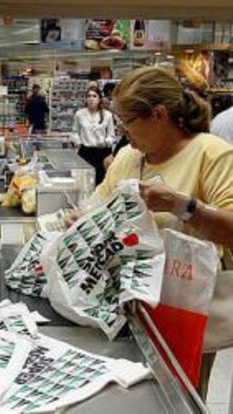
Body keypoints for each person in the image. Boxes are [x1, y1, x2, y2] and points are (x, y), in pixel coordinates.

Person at [66, 66, 233, 398]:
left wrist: (182, 205)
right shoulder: (129, 157)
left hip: (183, 307)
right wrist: (80, 221)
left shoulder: (211, 154)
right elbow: (98, 206)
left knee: (178, 395)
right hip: (124, 305)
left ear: (158, 115)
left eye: (127, 121)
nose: (123, 132)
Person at [73, 86, 116, 185]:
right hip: (85, 152)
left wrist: (106, 142)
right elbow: (75, 131)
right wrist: (78, 142)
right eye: (89, 96)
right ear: (85, 99)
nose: (91, 99)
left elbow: (111, 135)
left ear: (99, 99)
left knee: (101, 182)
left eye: (94, 96)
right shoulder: (79, 114)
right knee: (83, 181)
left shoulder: (107, 115)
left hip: (102, 153)